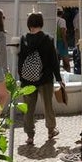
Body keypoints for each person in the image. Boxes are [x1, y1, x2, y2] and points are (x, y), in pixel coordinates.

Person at [17, 12, 65, 146]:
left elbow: (20, 59)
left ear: (29, 24)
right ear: (41, 23)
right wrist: (59, 78)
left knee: (29, 109)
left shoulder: (23, 39)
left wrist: (22, 76)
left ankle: (30, 136)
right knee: (48, 106)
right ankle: (51, 131)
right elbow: (54, 61)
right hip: (45, 78)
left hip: (27, 80)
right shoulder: (48, 39)